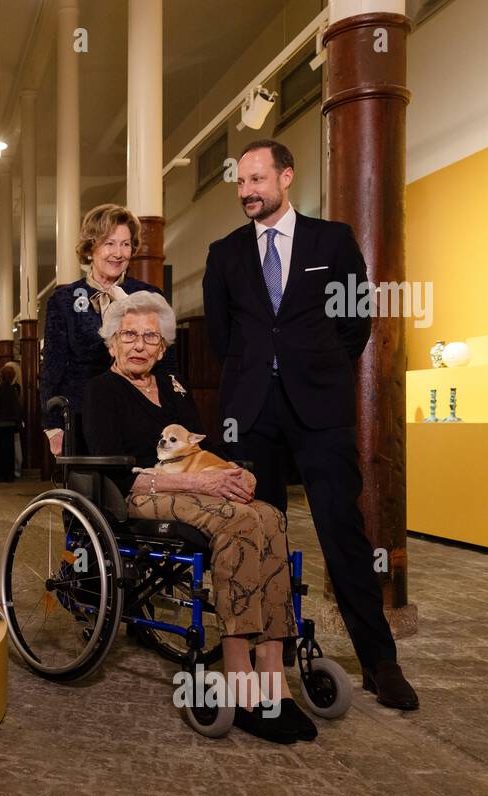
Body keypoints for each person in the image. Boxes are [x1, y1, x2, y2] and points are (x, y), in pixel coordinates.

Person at [203, 138, 418, 711]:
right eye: (240, 182)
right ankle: (267, 658)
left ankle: (380, 663)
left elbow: (355, 322)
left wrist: (314, 368)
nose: (247, 191)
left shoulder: (333, 240)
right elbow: (223, 337)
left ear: (286, 176)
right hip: (251, 414)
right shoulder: (224, 253)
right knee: (260, 535)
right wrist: (258, 377)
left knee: (342, 533)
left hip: (320, 411)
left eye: (257, 179)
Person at [82, 289, 317, 744]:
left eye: (150, 337)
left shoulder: (173, 387)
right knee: (240, 523)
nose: (139, 345)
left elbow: (199, 447)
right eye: (129, 335)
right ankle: (238, 672)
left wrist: (233, 473)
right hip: (140, 494)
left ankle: (271, 670)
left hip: (191, 487)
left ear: (162, 347)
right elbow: (117, 472)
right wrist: (199, 484)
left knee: (269, 516)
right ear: (111, 342)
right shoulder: (100, 392)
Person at [41, 204, 166, 457]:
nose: (118, 253)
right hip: (82, 418)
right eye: (109, 244)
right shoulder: (63, 300)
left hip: (139, 415)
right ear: (90, 248)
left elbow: (166, 364)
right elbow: (52, 367)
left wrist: (172, 412)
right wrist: (52, 425)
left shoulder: (149, 296)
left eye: (125, 244)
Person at [0, 362, 21, 482]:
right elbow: (16, 407)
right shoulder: (14, 389)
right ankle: (9, 475)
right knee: (9, 451)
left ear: (1, 376)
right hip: (11, 424)